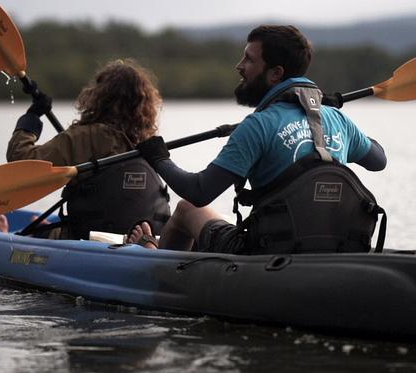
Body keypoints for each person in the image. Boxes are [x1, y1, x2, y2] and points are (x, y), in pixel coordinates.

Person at [129, 25, 387, 254]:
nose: (239, 66)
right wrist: (332, 115)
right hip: (334, 246)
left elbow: (199, 192)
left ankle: (155, 262)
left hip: (267, 250)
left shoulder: (258, 126)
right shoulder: (338, 120)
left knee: (187, 209)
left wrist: (159, 158)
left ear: (275, 73)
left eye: (249, 59)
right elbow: (378, 160)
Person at [6, 58, 171, 239]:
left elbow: (20, 159)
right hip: (147, 238)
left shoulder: (84, 137)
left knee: (39, 233)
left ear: (99, 97)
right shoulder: (150, 143)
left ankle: (47, 233)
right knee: (47, 229)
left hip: (89, 238)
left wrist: (31, 119)